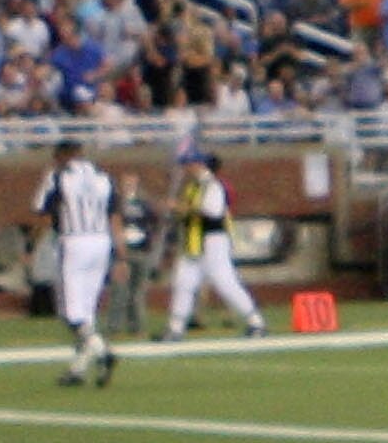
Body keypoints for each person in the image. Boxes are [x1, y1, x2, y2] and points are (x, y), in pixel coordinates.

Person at [35, 136, 115, 386]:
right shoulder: (103, 176)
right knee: (86, 310)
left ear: (61, 155)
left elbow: (42, 211)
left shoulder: (59, 176)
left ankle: (102, 351)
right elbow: (114, 214)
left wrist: (32, 246)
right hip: (102, 241)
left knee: (71, 312)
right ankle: (78, 369)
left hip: (74, 241)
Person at [162, 152, 267, 341]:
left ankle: (255, 321)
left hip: (213, 240)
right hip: (193, 240)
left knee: (224, 281)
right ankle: (175, 328)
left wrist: (180, 208)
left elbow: (211, 212)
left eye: (188, 165)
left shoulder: (213, 186)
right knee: (183, 282)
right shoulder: (194, 186)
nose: (186, 169)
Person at [107, 168, 158, 338]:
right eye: (125, 182)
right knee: (120, 291)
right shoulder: (114, 203)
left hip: (141, 251)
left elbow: (154, 223)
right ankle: (114, 327)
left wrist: (150, 242)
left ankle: (137, 327)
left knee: (138, 292)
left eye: (132, 181)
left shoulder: (144, 204)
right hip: (122, 252)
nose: (129, 185)